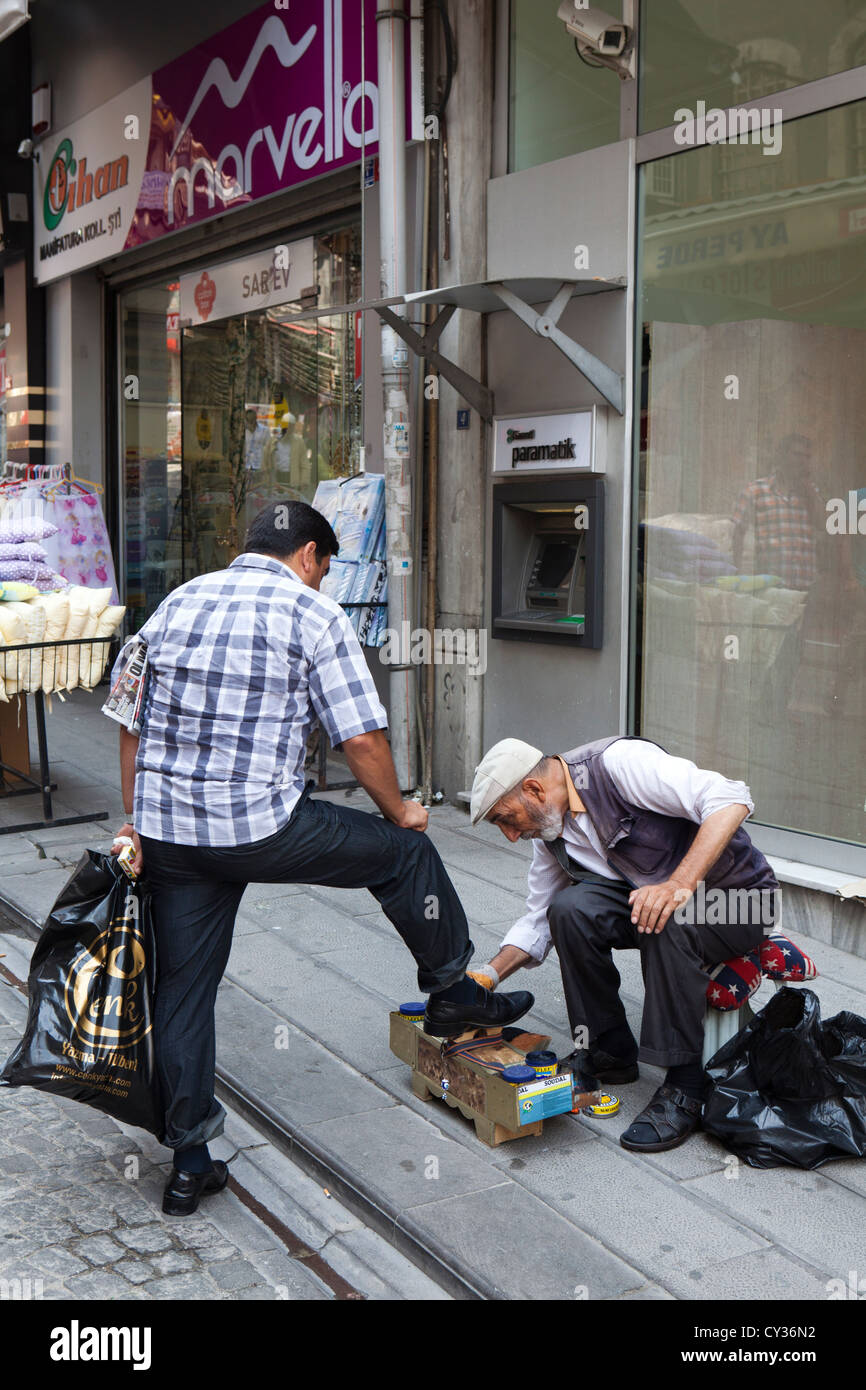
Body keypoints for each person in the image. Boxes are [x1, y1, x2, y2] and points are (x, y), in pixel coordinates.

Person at [108, 502, 532, 1215]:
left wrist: (136, 823)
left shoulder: (179, 600)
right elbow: (361, 739)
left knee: (182, 993)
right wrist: (402, 811)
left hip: (173, 836)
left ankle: (188, 1162)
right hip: (261, 826)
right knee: (403, 853)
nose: (324, 581)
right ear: (309, 554)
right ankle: (455, 989)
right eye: (326, 568)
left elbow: (129, 718)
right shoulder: (312, 615)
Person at [469, 735, 779, 1153]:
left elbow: (731, 798)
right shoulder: (551, 832)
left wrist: (678, 884)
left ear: (534, 789)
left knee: (669, 915)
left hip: (739, 902)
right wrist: (484, 978)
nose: (510, 835)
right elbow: (538, 918)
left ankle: (687, 1084)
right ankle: (608, 1052)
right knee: (569, 909)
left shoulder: (619, 765)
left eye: (507, 818)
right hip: (655, 904)